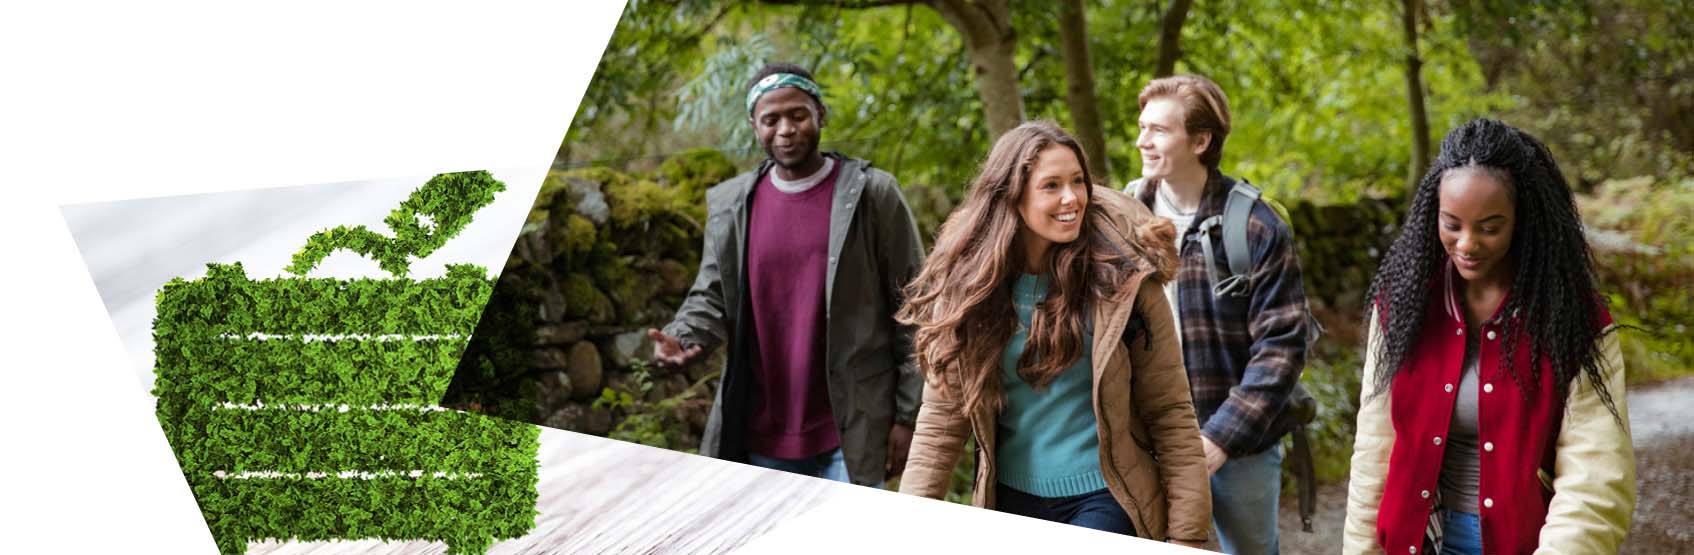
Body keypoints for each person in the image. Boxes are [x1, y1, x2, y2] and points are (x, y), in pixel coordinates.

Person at [897, 120, 1210, 547]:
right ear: (1013, 196)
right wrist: (905, 532)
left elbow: (1171, 412)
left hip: (1107, 497)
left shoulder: (1124, 279)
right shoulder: (973, 287)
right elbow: (939, 425)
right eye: (1052, 186)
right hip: (1008, 499)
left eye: (1078, 182)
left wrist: (1188, 537)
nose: (1072, 198)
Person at [1343, 118, 1635, 554]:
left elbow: (1595, 476)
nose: (1466, 243)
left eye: (1489, 227)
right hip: (1417, 541)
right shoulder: (1403, 305)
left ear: (1523, 220)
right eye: (1451, 223)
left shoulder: (1574, 317)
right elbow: (1374, 446)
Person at [647, 62, 926, 487]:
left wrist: (908, 415)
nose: (786, 129)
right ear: (754, 126)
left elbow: (916, 306)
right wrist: (683, 336)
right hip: (762, 433)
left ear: (820, 115)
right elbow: (712, 295)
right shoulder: (732, 205)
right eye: (770, 119)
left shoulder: (873, 194)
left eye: (798, 115)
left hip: (852, 428)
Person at [1124, 74, 1312, 554]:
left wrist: (1220, 437)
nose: (1142, 140)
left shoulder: (1255, 225)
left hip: (1240, 446)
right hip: (1147, 438)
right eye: (1142, 127)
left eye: (1159, 130)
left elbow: (1282, 348)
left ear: (1200, 140)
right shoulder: (1126, 215)